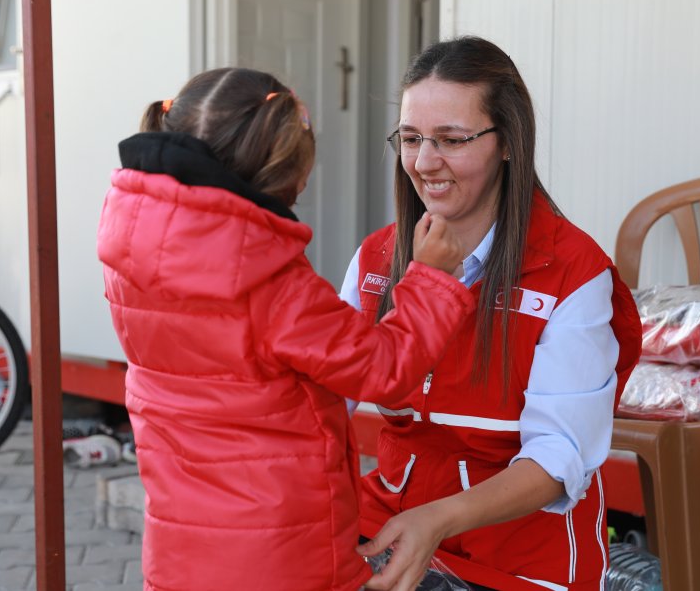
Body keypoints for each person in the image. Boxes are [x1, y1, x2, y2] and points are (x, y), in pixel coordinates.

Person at [96, 67, 477, 591]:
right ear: (279, 171)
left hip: (182, 544)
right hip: (279, 551)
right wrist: (431, 278)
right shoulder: (265, 277)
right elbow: (384, 369)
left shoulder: (134, 253)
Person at [340, 37, 643, 591]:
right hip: (390, 525)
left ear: (508, 142)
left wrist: (439, 518)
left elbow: (559, 458)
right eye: (411, 139)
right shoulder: (375, 260)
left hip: (521, 555)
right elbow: (323, 400)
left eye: (452, 140)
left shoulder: (572, 272)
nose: (425, 163)